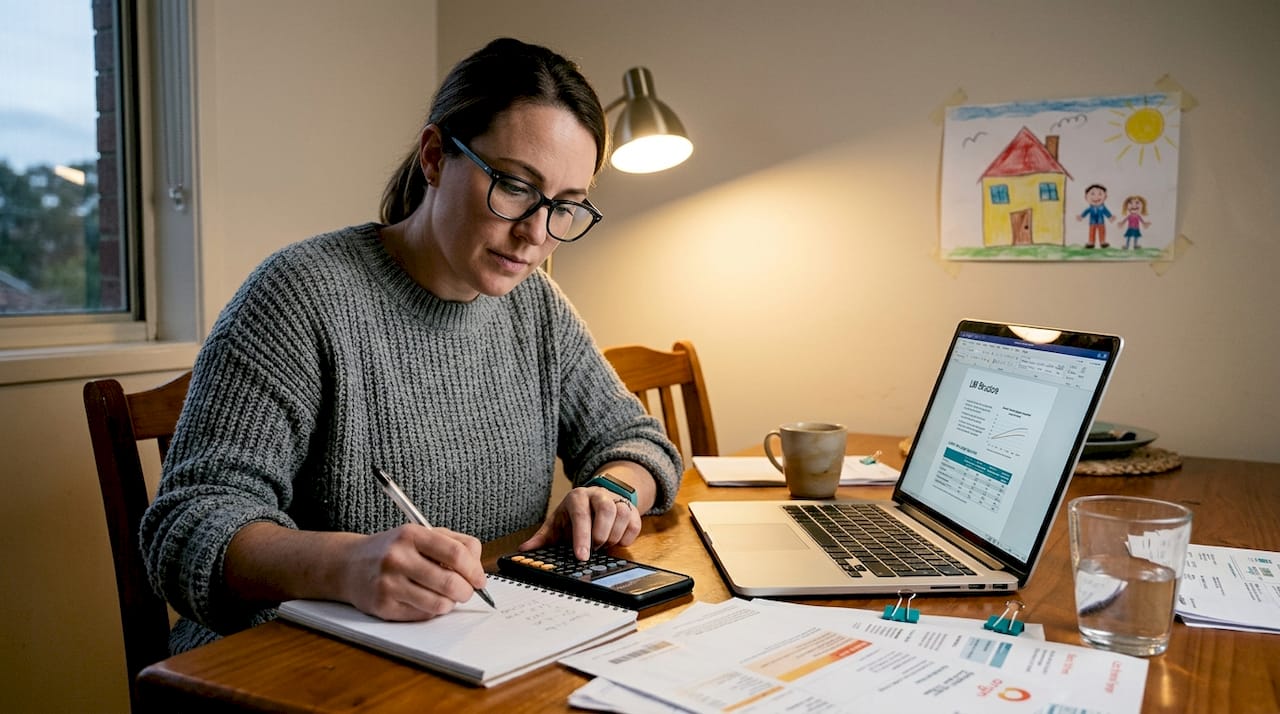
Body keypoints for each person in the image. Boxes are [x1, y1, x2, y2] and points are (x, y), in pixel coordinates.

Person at [140, 37, 683, 654]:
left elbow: (639, 442)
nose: (535, 233)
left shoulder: (536, 309)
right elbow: (185, 525)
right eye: (513, 186)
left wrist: (613, 491)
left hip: (479, 648)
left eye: (565, 206)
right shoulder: (300, 295)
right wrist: (345, 564)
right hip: (283, 663)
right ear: (434, 156)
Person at [1075, 183, 1112, 248]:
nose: (1096, 197)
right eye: (1092, 194)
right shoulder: (1090, 208)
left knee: (1102, 231)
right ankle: (1091, 242)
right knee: (1092, 232)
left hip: (1101, 222)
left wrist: (1110, 217)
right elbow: (1086, 212)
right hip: (1092, 222)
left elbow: (1106, 212)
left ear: (1105, 196)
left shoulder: (1102, 207)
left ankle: (1102, 242)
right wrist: (1081, 216)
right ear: (1086, 197)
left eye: (1100, 194)